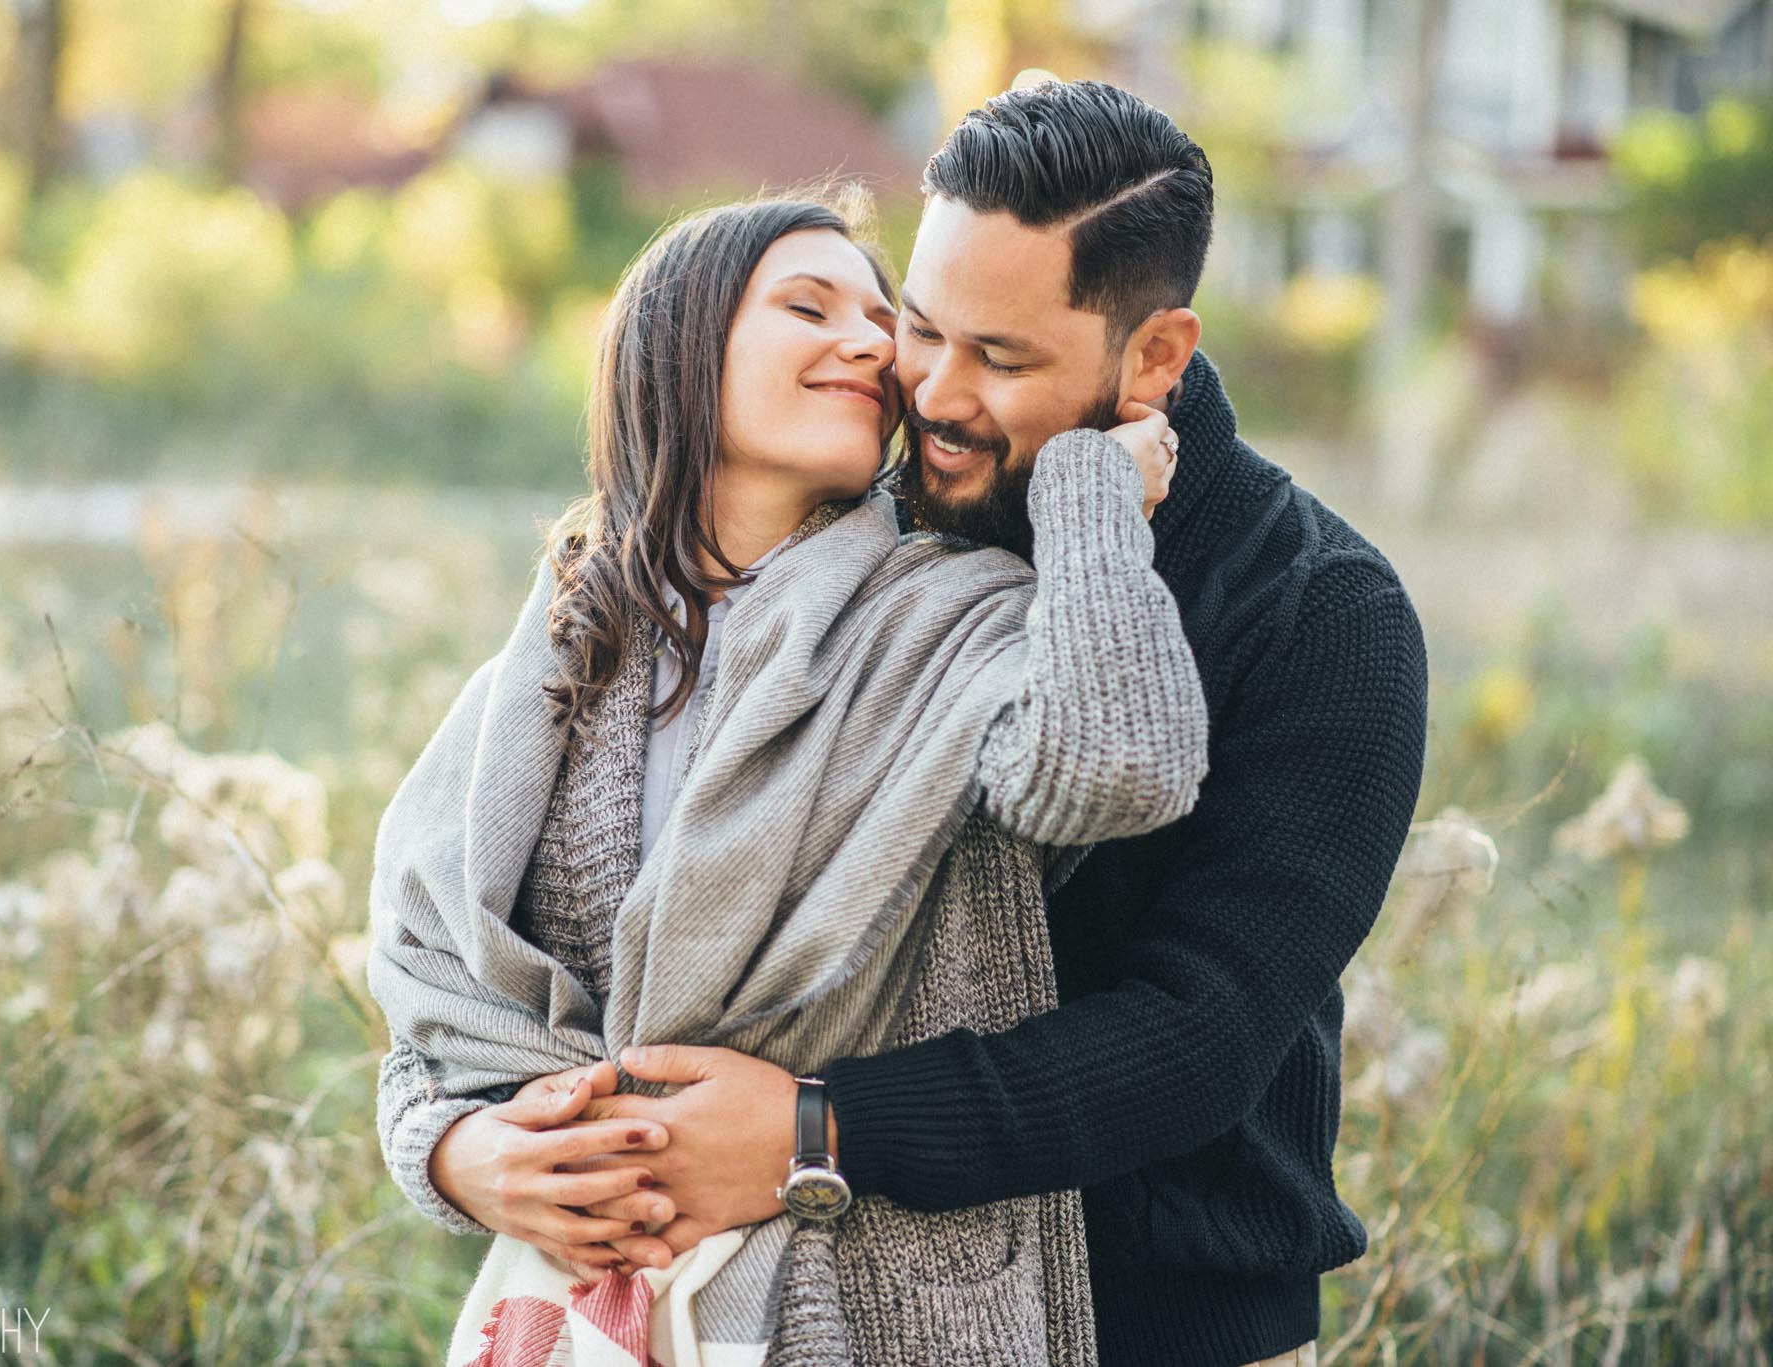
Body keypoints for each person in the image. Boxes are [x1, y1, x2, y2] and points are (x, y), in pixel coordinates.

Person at [487, 82, 1432, 1367]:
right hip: (835, 1312)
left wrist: (813, 1129)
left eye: (1001, 358)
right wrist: (479, 1141)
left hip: (1169, 1322)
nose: (930, 393)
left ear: (1154, 355)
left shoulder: (1322, 613)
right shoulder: (863, 520)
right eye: (919, 329)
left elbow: (1198, 1035)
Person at [366, 189, 1209, 1365]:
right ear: (673, 348)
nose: (870, 343)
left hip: (882, 1312)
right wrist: (452, 1152)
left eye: (882, 320)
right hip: (581, 1313)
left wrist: (1089, 496)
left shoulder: (952, 622)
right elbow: (435, 1008)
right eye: (807, 306)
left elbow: (1117, 766)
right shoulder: (552, 664)